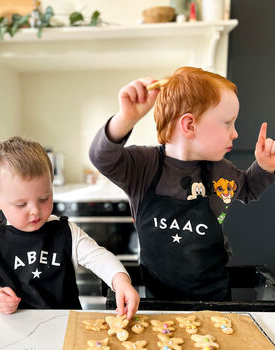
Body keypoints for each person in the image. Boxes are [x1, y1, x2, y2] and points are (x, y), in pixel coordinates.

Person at [89, 66, 275, 301]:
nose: (235, 133)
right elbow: (101, 158)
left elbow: (248, 189)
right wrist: (126, 118)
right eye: (228, 123)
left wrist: (264, 167)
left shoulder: (221, 171)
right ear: (189, 125)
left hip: (215, 298)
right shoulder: (143, 167)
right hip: (159, 300)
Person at [0, 136, 139, 318]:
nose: (35, 210)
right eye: (21, 204)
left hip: (65, 327)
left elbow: (99, 258)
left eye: (44, 198)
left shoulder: (67, 232)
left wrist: (120, 280)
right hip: (13, 331)